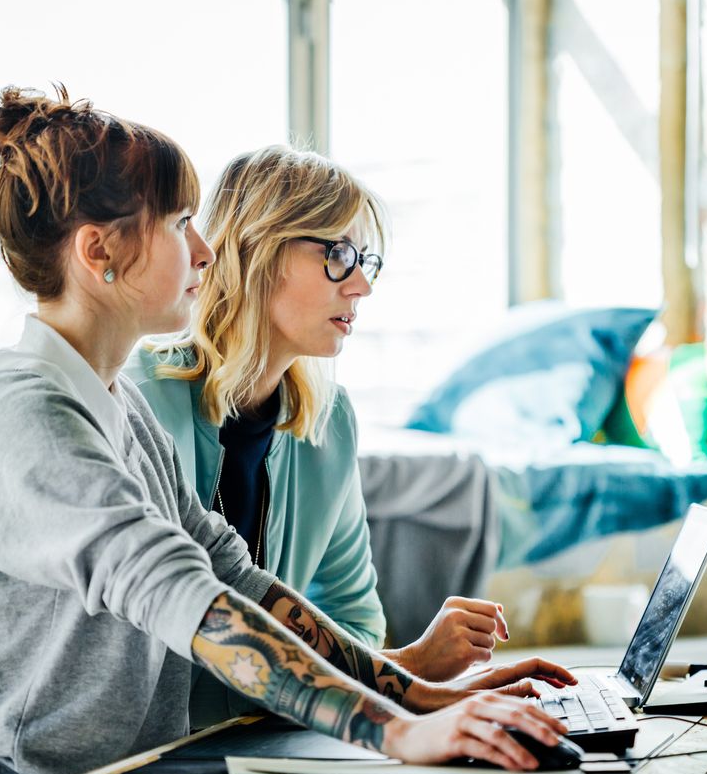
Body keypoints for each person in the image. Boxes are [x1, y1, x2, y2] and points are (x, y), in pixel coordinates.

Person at [0, 86, 574, 774]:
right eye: (180, 224)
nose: (207, 250)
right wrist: (397, 731)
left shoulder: (113, 406)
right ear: (100, 252)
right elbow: (185, 595)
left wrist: (417, 693)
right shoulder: (32, 418)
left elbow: (233, 578)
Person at [124, 147, 511, 703]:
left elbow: (354, 620)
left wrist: (398, 675)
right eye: (340, 255)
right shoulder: (140, 398)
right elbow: (157, 661)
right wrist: (407, 671)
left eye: (365, 262)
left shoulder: (329, 422)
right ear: (257, 249)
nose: (361, 286)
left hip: (257, 742)